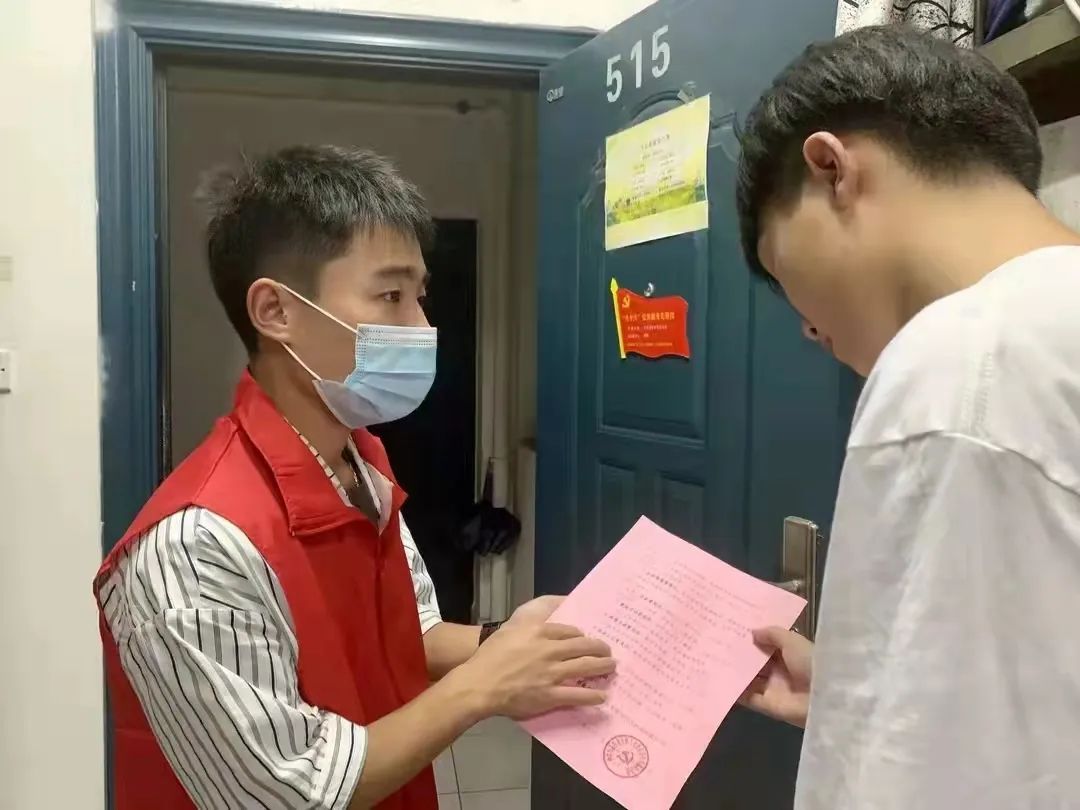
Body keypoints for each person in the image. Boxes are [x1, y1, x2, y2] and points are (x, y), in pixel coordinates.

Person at [93, 145, 615, 810]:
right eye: (391, 296)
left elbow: (409, 630)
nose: (423, 327)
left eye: (419, 297)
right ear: (275, 311)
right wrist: (484, 686)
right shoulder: (193, 548)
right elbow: (296, 790)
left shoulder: (361, 463)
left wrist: (508, 637)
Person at [734, 25, 1080, 808]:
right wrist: (864, 696)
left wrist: (874, 729)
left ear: (831, 168)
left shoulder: (964, 360)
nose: (809, 329)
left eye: (782, 269)